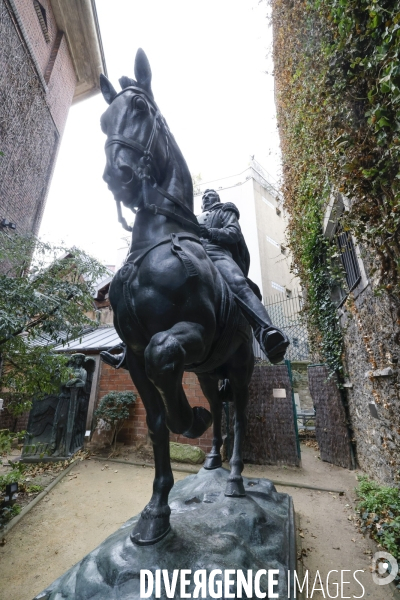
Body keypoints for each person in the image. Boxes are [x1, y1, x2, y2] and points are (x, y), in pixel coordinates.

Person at [197, 189, 289, 363]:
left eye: (210, 194)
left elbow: (233, 232)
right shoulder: (193, 218)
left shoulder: (224, 210)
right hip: (192, 254)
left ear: (217, 198)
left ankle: (267, 332)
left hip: (216, 253)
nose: (206, 197)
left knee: (238, 283)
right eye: (204, 196)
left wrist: (211, 233)